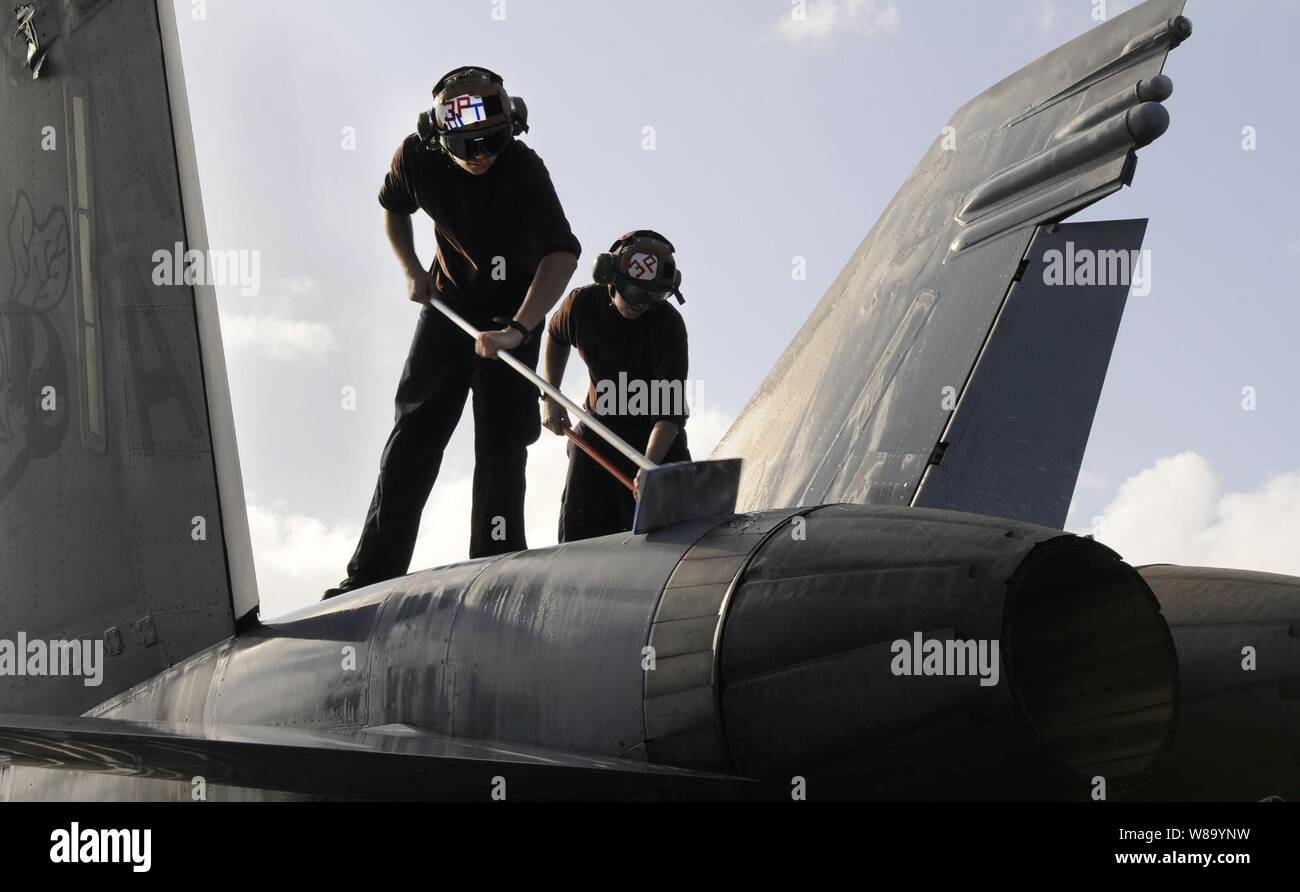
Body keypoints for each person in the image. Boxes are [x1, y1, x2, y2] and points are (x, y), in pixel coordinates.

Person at [326, 66, 580, 599]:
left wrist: (516, 329)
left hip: (516, 309)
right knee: (415, 434)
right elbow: (394, 209)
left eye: (492, 142)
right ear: (438, 136)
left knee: (502, 440)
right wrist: (412, 270)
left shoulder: (523, 169)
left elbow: (560, 255)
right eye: (468, 146)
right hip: (450, 307)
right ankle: (371, 572)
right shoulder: (415, 157)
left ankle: (498, 568)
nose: (482, 153)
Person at [541, 231, 691, 542]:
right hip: (600, 429)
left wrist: (650, 466)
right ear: (610, 279)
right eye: (636, 292)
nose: (643, 305)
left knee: (676, 527)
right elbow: (556, 336)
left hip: (655, 432)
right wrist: (550, 396)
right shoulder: (581, 305)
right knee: (579, 526)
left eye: (654, 296)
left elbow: (670, 412)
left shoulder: (668, 325)